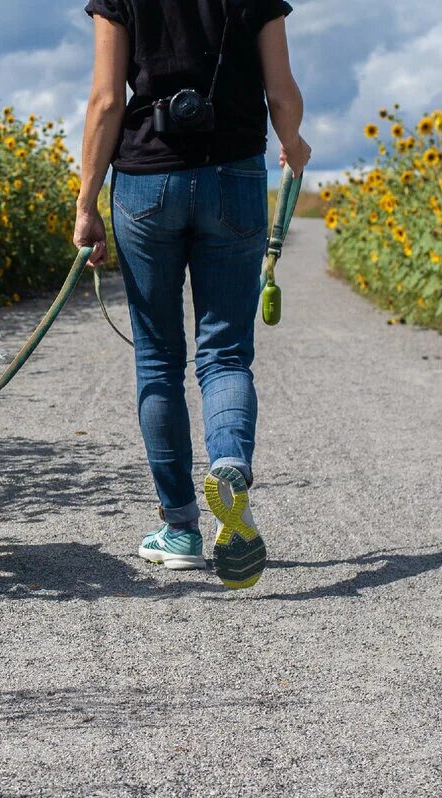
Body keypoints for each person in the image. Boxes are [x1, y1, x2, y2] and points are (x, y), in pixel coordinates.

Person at [75, 0, 310, 590]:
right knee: (225, 353)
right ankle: (230, 465)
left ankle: (180, 529)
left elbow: (106, 100)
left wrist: (86, 203)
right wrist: (293, 141)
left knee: (157, 359)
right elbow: (281, 90)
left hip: (146, 179)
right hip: (234, 173)